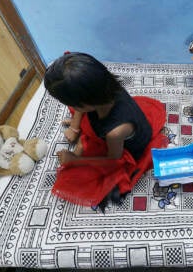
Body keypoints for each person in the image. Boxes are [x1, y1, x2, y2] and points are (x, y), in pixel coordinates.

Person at [44, 52, 167, 210]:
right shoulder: (104, 86)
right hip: (111, 122)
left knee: (75, 177)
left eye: (74, 105)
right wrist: (75, 127)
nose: (73, 108)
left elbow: (113, 160)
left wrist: (74, 159)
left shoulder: (114, 132)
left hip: (124, 148)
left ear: (86, 103)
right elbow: (82, 106)